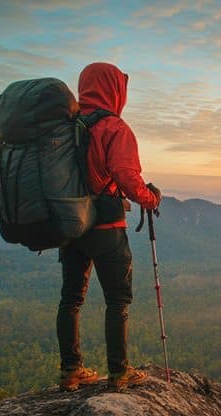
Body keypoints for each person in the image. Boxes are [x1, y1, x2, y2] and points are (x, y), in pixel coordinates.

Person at [57, 62, 161, 391]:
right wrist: (150, 199)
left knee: (71, 299)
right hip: (106, 227)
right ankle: (119, 372)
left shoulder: (64, 127)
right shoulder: (114, 128)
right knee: (117, 300)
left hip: (70, 225)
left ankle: (71, 370)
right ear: (115, 89)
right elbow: (127, 178)